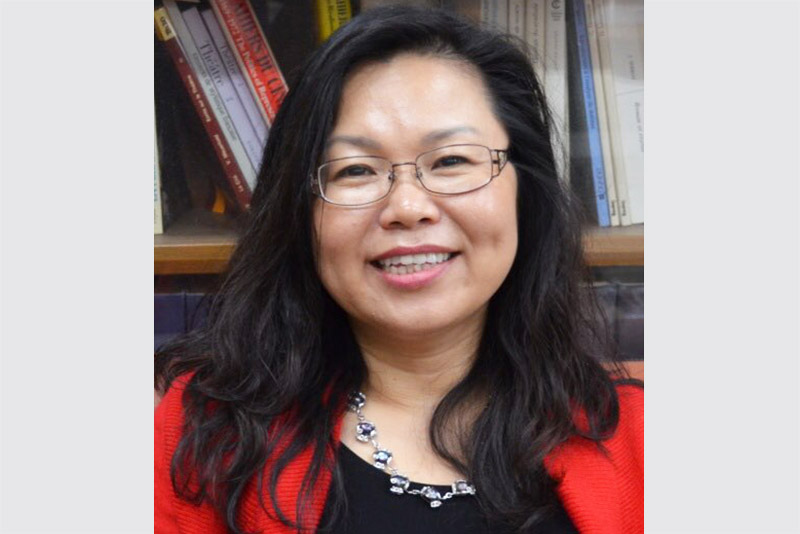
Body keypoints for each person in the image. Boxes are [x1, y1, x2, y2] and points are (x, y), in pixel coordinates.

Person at [155, 5, 643, 534]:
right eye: (356, 170)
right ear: (300, 212)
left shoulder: (640, 438)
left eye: (452, 161)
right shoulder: (200, 433)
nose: (408, 208)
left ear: (526, 190)